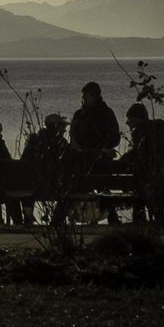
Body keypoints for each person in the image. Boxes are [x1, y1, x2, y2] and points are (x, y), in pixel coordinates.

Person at [70, 81, 123, 223]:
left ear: (94, 95)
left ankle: (111, 219)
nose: (84, 98)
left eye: (86, 95)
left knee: (101, 188)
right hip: (83, 160)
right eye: (83, 95)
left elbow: (114, 137)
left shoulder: (105, 113)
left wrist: (100, 149)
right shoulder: (79, 114)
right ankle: (104, 219)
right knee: (87, 188)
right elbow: (73, 136)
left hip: (100, 160)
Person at [118, 102, 164, 222]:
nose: (127, 123)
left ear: (137, 120)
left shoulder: (139, 132)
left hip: (146, 182)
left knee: (140, 194)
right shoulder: (160, 131)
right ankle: (161, 223)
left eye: (129, 120)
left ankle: (140, 224)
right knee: (152, 201)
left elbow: (135, 155)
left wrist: (120, 162)